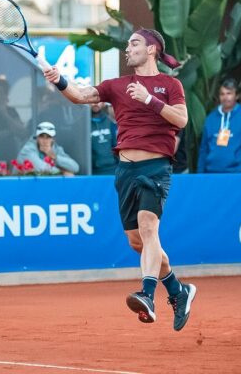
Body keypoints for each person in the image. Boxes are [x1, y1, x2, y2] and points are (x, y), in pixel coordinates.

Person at [42, 28, 196, 330]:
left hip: (156, 168)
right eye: (128, 45)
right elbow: (81, 96)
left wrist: (150, 99)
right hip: (125, 171)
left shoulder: (169, 84)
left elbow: (181, 119)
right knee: (137, 241)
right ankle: (179, 291)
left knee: (149, 228)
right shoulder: (117, 85)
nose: (128, 49)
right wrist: (59, 79)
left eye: (134, 43)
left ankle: (148, 295)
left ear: (152, 49)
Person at [197, 78, 241, 173]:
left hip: (237, 174)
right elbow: (204, 149)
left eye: (229, 93)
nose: (225, 97)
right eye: (222, 94)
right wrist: (200, 174)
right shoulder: (210, 118)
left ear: (237, 96)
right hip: (211, 174)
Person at [90, 102, 118, 175]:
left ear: (103, 103)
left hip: (113, 168)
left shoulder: (110, 122)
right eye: (91, 101)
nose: (95, 103)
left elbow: (116, 145)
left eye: (98, 100)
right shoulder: (83, 122)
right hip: (93, 170)